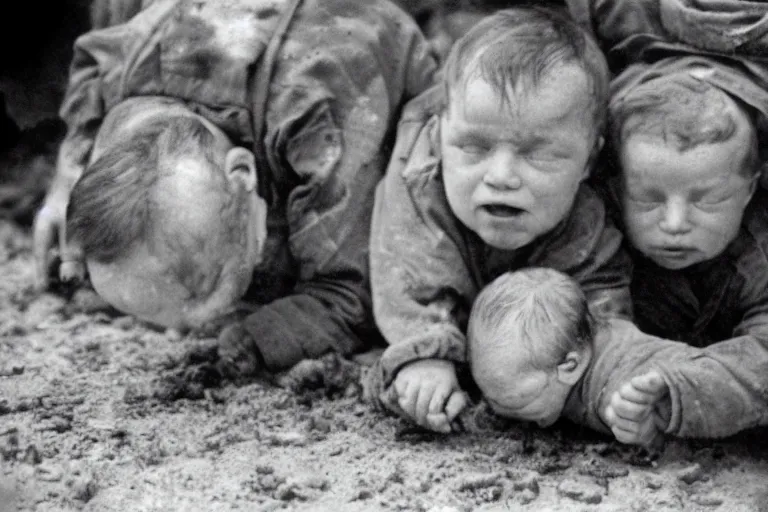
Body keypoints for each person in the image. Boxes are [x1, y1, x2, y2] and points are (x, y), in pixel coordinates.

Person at [31, 0, 438, 373]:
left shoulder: (313, 121)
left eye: (199, 290)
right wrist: (68, 182)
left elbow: (352, 294)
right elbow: (90, 59)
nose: (191, 328)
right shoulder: (131, 62)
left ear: (243, 175)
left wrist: (253, 341)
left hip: (353, 71)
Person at [364, 6, 636, 434]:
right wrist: (426, 355)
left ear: (589, 160)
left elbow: (604, 311)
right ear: (440, 136)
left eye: (538, 154)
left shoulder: (589, 222)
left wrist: (600, 379)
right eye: (474, 147)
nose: (502, 177)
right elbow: (406, 278)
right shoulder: (420, 186)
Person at [563, 0, 768, 445]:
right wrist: (621, 391)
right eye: (649, 198)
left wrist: (687, 391)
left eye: (708, 199)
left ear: (750, 189)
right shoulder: (596, 230)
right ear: (617, 187)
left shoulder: (760, 251)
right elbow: (575, 326)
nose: (675, 223)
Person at [467, 267, 768, 448]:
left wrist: (651, 423)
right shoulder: (577, 339)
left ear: (570, 366)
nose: (496, 405)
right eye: (490, 395)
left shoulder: (619, 383)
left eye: (514, 400)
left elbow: (717, 396)